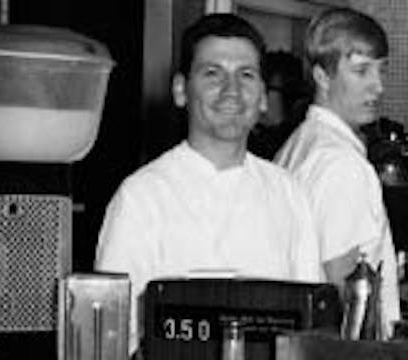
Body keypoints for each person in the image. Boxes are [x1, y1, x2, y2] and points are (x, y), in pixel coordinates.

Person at [94, 14, 323, 353]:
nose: (232, 90)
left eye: (246, 75)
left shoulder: (288, 193)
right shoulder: (141, 197)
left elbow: (310, 331)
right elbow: (113, 341)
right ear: (180, 90)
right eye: (212, 73)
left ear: (262, 96)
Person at [274, 7, 400, 336]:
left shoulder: (297, 146)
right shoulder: (342, 165)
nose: (378, 87)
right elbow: (346, 301)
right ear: (322, 76)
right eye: (361, 71)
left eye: (381, 70)